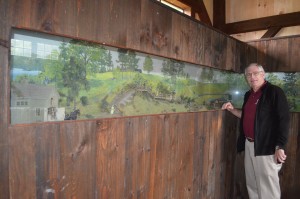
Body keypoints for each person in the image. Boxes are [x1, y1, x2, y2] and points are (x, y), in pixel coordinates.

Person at [222, 63, 290, 199]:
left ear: (263, 74)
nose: (252, 77)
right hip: (249, 144)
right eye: (249, 74)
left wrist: (280, 146)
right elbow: (247, 116)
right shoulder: (249, 94)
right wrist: (232, 110)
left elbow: (284, 120)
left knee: (268, 187)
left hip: (267, 147)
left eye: (255, 73)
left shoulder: (275, 92)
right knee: (252, 184)